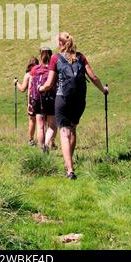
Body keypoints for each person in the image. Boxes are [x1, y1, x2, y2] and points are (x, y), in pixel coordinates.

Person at [40, 32, 109, 180]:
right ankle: (68, 162)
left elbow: (49, 83)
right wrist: (103, 89)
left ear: (60, 44)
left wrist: (41, 88)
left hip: (62, 99)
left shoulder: (55, 58)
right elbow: (93, 77)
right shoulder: (81, 57)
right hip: (79, 101)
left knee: (64, 133)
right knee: (73, 129)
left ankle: (70, 169)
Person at [29, 47, 57, 153]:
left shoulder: (34, 69)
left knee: (40, 126)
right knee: (52, 126)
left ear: (40, 56)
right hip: (50, 99)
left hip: (37, 99)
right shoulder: (52, 69)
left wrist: (30, 101)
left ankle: (42, 148)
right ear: (51, 55)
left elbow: (31, 86)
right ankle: (47, 143)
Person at [15, 57, 39, 146]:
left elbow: (22, 89)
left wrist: (16, 83)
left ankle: (31, 140)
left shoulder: (28, 75)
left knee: (32, 120)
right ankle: (45, 141)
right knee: (42, 121)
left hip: (32, 100)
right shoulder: (40, 73)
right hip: (41, 99)